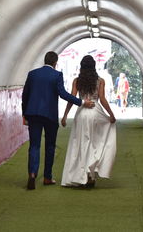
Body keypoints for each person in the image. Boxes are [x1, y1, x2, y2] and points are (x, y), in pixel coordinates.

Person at [22, 51, 95, 190]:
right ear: (55, 62)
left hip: (33, 114)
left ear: (45, 61)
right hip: (50, 115)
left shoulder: (32, 74)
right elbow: (62, 94)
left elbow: (25, 95)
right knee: (50, 145)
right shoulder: (56, 75)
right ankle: (47, 177)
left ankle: (32, 174)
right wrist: (81, 102)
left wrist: (24, 113)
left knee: (34, 146)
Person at [60, 55, 117, 187]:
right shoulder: (100, 81)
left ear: (81, 66)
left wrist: (65, 115)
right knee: (95, 142)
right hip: (96, 113)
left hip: (81, 113)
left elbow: (72, 98)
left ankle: (81, 175)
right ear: (94, 66)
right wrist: (111, 114)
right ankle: (91, 175)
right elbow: (102, 99)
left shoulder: (77, 81)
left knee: (80, 143)